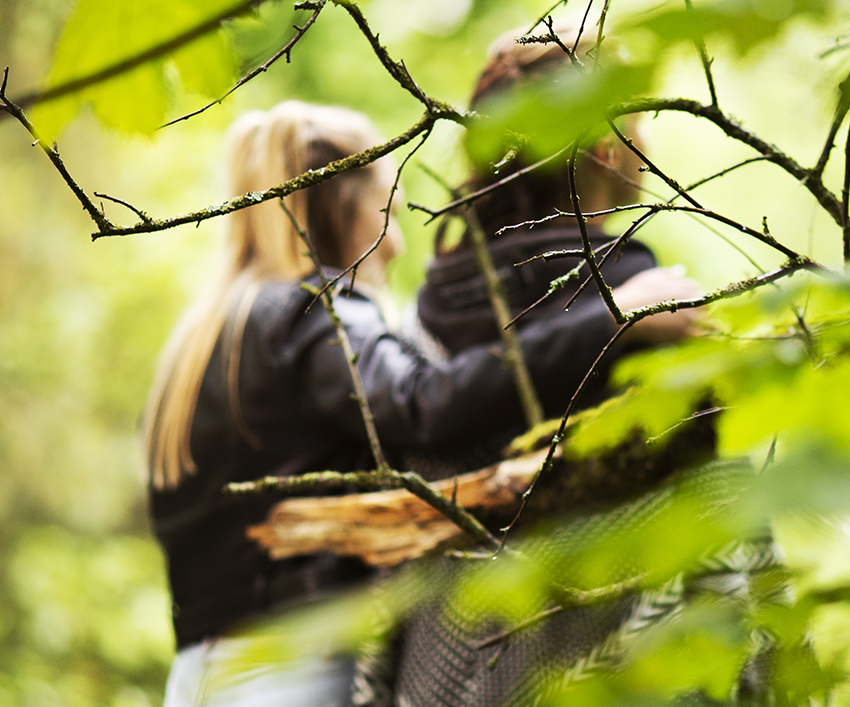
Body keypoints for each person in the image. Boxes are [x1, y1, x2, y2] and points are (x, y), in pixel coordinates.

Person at [141, 101, 702, 707]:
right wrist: (614, 318)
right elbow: (424, 404)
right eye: (388, 213)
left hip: (201, 669)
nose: (397, 245)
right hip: (295, 661)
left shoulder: (203, 333)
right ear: (342, 205)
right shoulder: (311, 313)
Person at [391, 25, 769, 707]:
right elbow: (716, 503)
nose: (645, 146)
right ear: (603, 146)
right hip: (628, 658)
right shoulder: (646, 299)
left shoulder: (433, 304)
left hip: (461, 658)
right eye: (636, 125)